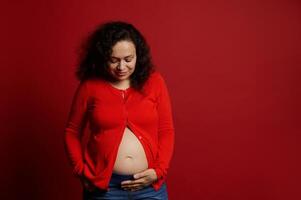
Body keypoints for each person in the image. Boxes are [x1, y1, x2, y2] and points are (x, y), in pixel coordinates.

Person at [63, 21, 175, 200]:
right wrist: (80, 170)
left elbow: (166, 130)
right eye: (113, 60)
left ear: (138, 55)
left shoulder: (155, 82)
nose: (121, 67)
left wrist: (159, 170)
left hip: (149, 186)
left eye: (128, 59)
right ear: (102, 57)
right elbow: (72, 132)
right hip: (104, 188)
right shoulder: (90, 86)